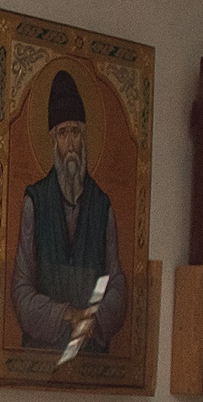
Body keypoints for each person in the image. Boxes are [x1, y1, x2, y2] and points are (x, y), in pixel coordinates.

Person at [10, 68, 127, 354]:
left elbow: (116, 284)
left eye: (76, 131)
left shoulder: (102, 206)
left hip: (91, 355)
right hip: (42, 353)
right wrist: (66, 314)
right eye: (63, 133)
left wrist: (92, 318)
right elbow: (21, 290)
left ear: (85, 137)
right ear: (53, 141)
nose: (71, 143)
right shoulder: (35, 203)